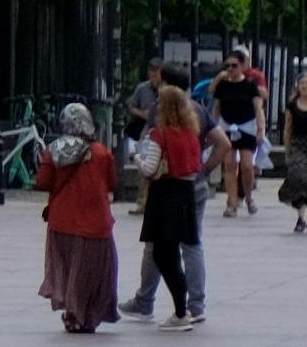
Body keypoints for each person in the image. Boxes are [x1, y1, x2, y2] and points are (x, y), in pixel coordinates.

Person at [129, 86, 207, 326]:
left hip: (164, 195)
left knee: (164, 255)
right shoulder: (191, 133)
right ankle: (186, 308)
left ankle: (181, 312)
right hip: (185, 193)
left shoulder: (159, 135)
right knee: (176, 251)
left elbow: (150, 168)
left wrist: (136, 157)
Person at [38, 103, 120, 333]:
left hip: (62, 220)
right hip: (96, 221)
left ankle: (74, 313)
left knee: (70, 270)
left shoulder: (53, 150)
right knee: (93, 271)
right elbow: (112, 182)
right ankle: (87, 314)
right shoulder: (101, 152)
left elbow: (43, 182)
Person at [209, 52, 265, 218]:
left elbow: (258, 109)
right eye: (227, 66)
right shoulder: (223, 85)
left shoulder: (250, 86)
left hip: (246, 127)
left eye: (234, 65)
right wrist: (212, 126)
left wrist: (260, 128)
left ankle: (247, 197)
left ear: (242, 66)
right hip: (227, 126)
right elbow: (215, 103)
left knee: (247, 165)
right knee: (229, 164)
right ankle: (231, 202)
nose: (230, 69)